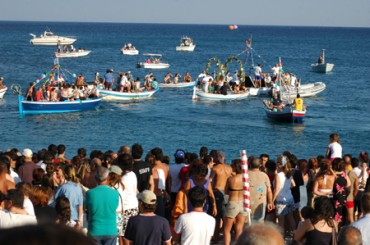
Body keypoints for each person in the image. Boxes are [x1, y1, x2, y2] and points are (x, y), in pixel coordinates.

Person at [85, 166, 119, 245]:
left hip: (94, 230)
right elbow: (115, 207)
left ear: (95, 178)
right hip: (111, 229)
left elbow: (86, 207)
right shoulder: (115, 193)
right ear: (108, 177)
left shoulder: (90, 193)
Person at [223, 159, 247, 245]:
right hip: (243, 203)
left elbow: (226, 192)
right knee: (239, 228)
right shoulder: (246, 178)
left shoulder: (231, 179)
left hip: (233, 203)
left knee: (227, 229)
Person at [210, 150, 232, 242]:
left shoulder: (215, 169)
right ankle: (226, 235)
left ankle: (215, 237)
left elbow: (210, 181)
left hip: (217, 192)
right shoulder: (229, 168)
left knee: (217, 217)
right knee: (226, 216)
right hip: (226, 193)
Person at [248, 158, 273, 222]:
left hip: (248, 201)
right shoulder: (264, 175)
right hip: (260, 201)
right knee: (259, 221)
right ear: (260, 165)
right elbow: (269, 191)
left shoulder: (245, 175)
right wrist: (270, 202)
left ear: (250, 165)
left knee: (247, 220)